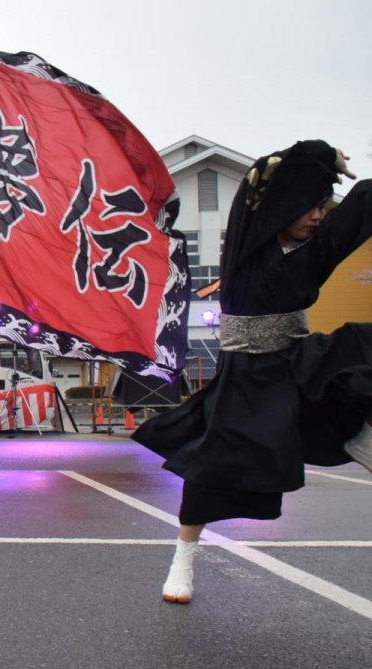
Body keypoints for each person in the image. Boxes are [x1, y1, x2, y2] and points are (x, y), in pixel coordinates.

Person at [134, 141, 372, 604]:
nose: (319, 216)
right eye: (309, 206)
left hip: (297, 364)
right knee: (210, 470)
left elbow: (350, 223)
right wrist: (318, 154)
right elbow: (255, 189)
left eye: (324, 206)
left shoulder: (311, 256)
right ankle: (183, 560)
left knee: (362, 351)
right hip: (246, 381)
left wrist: (328, 180)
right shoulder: (246, 251)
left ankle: (361, 437)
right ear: (284, 203)